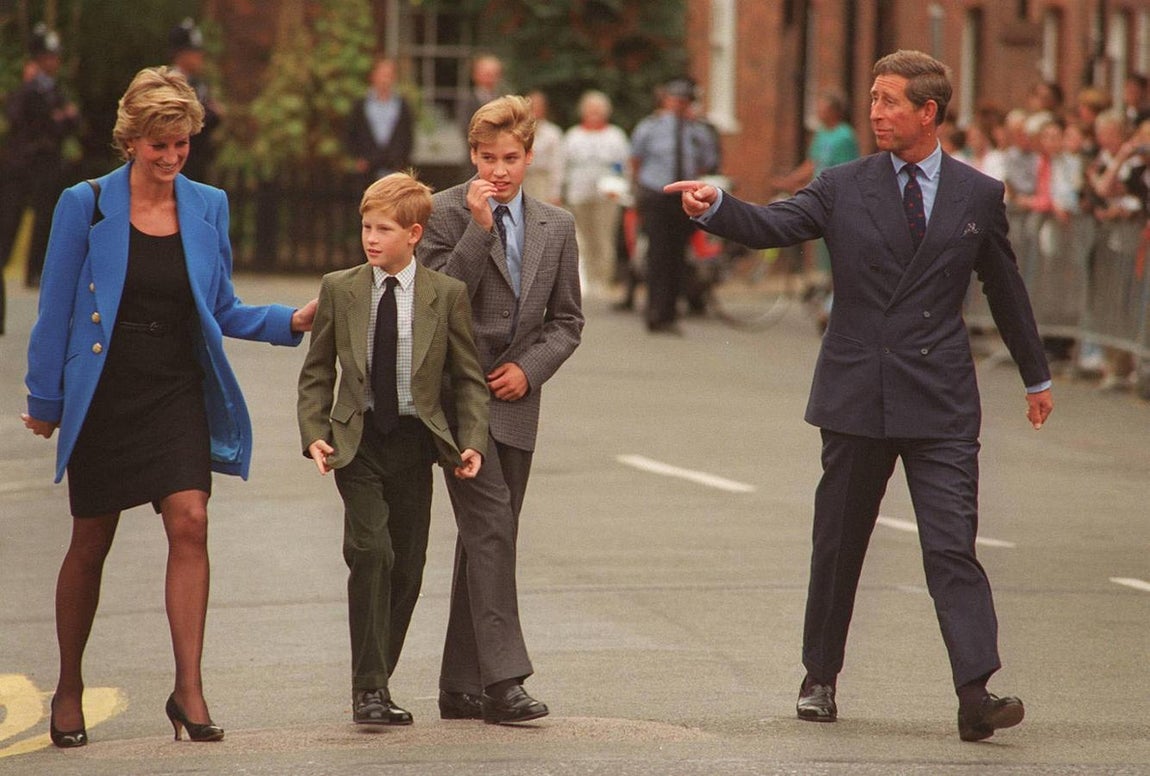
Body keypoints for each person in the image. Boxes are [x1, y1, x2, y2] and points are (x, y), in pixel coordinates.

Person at [667, 49, 1054, 742]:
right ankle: (819, 677)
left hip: (940, 400)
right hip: (856, 396)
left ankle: (976, 692)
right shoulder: (843, 184)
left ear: (928, 112)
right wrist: (718, 206)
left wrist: (1036, 376)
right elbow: (777, 225)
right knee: (840, 542)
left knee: (950, 547)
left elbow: (1005, 286)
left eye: (889, 100)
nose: (875, 111)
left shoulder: (977, 194)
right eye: (872, 98)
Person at [22, 66, 317, 747]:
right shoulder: (85, 203)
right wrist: (45, 398)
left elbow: (220, 307)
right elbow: (56, 306)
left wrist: (288, 321)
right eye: (159, 144)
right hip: (106, 385)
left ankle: (188, 689)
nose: (171, 156)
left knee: (190, 520)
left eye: (181, 143)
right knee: (90, 542)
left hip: (175, 384)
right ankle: (68, 686)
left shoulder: (208, 204)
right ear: (132, 139)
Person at [297, 172, 489, 726]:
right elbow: (317, 371)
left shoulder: (444, 295)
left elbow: (468, 379)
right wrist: (314, 429)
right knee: (372, 553)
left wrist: (470, 440)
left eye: (383, 229)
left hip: (415, 444)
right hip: (355, 444)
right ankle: (370, 691)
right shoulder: (341, 287)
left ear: (415, 234)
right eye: (366, 227)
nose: (371, 238)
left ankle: (378, 679)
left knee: (407, 568)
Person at [417, 95, 583, 725]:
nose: (499, 170)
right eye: (487, 158)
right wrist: (478, 229)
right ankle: (503, 683)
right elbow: (436, 300)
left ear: (529, 156)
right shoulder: (441, 213)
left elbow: (567, 321)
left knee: (485, 534)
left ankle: (459, 683)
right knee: (492, 527)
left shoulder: (556, 226)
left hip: (516, 398)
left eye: (511, 158)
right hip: (457, 397)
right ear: (471, 154)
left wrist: (529, 368)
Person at [0, 23, 79, 326]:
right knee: (11, 215)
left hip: (48, 161)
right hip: (24, 161)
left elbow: (70, 119)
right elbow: (21, 118)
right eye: (48, 56)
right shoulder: (29, 87)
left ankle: (36, 270)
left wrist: (57, 119)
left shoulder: (54, 88)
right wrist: (54, 118)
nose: (53, 62)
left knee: (46, 215)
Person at [631, 77, 719, 334]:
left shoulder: (697, 132)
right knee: (657, 255)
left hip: (683, 199)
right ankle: (654, 312)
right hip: (657, 195)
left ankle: (670, 313)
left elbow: (705, 162)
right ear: (667, 100)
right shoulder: (651, 127)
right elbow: (636, 159)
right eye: (676, 100)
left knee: (678, 255)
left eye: (685, 101)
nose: (680, 105)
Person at [562, 89, 631, 295]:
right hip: (578, 193)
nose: (594, 115)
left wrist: (619, 188)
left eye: (598, 111)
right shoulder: (573, 135)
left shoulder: (615, 135)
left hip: (606, 195)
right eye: (590, 110)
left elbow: (623, 166)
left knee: (604, 238)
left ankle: (603, 279)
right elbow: (565, 165)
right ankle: (586, 280)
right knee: (582, 238)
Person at [345, 56, 415, 186]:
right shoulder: (361, 105)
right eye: (382, 74)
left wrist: (401, 162)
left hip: (393, 168)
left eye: (388, 75)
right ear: (373, 76)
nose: (385, 79)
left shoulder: (402, 105)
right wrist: (358, 159)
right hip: (367, 169)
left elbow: (408, 136)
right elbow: (351, 133)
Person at [169, 18, 223, 183]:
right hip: (176, 164)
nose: (200, 56)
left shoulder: (199, 83)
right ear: (180, 53)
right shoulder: (169, 83)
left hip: (198, 161)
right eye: (194, 51)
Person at [522, 90, 564, 206]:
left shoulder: (553, 133)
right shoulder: (518, 132)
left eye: (538, 106)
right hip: (523, 181)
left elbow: (557, 165)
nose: (535, 109)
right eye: (531, 106)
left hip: (543, 182)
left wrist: (555, 193)